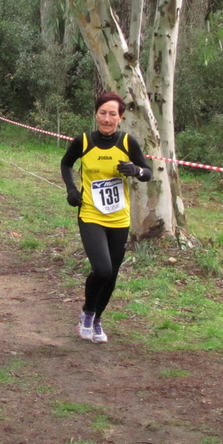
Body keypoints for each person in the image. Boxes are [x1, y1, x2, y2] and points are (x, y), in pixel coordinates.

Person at [60, 92, 153, 344]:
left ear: (120, 118)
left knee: (111, 274)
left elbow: (148, 172)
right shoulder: (84, 141)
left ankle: (97, 319)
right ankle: (87, 312)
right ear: (96, 115)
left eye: (113, 114)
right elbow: (66, 164)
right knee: (101, 269)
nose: (107, 118)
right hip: (90, 213)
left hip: (119, 218)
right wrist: (71, 189)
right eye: (103, 112)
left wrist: (136, 170)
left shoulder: (127, 143)